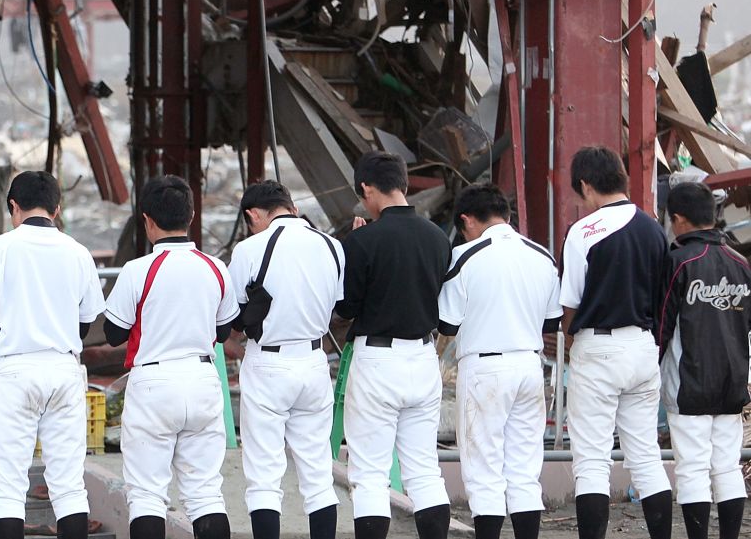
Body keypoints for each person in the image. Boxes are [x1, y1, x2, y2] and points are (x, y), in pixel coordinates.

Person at [0, 171, 106, 539]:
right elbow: (86, 324)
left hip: (16, 369)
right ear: (57, 208)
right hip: (64, 368)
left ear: (13, 206)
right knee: (69, 485)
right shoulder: (78, 253)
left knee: (8, 487)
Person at [104, 175, 240, 539]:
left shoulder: (138, 270)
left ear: (146, 220)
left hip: (152, 384)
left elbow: (114, 334)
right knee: (206, 493)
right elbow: (224, 331)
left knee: (147, 495)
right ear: (192, 216)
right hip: (202, 380)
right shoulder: (216, 267)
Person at [335, 151, 452, 539]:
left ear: (367, 188)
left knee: (369, 474)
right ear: (402, 182)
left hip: (377, 361)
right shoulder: (438, 238)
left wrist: (355, 244)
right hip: (422, 356)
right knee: (423, 469)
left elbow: (347, 306)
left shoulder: (363, 241)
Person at [560, 146, 672, 539]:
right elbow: (663, 298)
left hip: (598, 347)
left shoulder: (582, 232)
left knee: (591, 461)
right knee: (647, 458)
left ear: (586, 185)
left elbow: (569, 303)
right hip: (642, 347)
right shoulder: (654, 229)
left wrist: (571, 340)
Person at [438, 183, 562, 539]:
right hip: (529, 365)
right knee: (524, 470)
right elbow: (551, 321)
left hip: (485, 367)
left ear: (467, 221)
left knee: (483, 469)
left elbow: (447, 323)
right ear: (506, 215)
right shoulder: (541, 255)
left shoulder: (465, 256)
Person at [229, 180, 345, 539]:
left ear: (253, 214)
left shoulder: (249, 249)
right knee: (318, 473)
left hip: (268, 363)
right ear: (290, 205)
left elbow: (233, 314)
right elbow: (339, 305)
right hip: (314, 360)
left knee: (264, 475)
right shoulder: (332, 246)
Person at [659, 181, 750, 539]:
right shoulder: (741, 263)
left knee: (693, 469)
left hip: (689, 383)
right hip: (732, 382)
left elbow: (662, 324)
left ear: (678, 219)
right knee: (726, 468)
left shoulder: (678, 262)